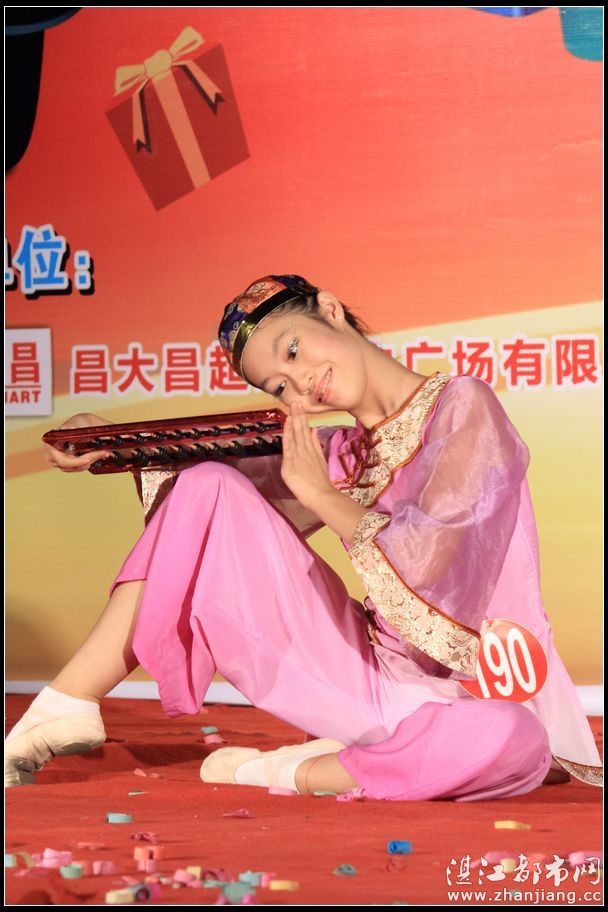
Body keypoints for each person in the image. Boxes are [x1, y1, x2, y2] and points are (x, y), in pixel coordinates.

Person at [5, 274, 602, 800]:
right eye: (279, 387)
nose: (301, 384)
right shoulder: (341, 451)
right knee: (208, 484)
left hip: (480, 695)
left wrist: (321, 496)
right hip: (367, 687)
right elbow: (206, 500)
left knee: (512, 737)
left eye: (293, 350)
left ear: (331, 310)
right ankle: (67, 703)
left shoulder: (463, 407)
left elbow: (438, 560)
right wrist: (112, 441)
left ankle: (298, 771)